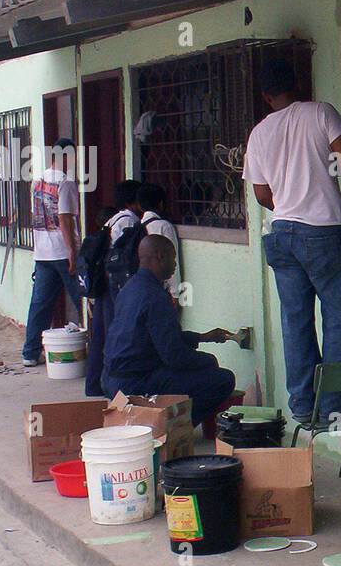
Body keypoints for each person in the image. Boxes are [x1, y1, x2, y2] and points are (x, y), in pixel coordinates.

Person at [243, 58, 341, 425]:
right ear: (297, 83)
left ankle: (302, 405)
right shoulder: (320, 112)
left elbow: (262, 194)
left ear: (266, 96)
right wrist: (316, 176)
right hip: (323, 232)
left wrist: (289, 203)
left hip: (281, 235)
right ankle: (334, 407)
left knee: (295, 321)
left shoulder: (259, 133)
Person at [101, 235, 236, 427]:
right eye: (173, 258)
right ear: (160, 257)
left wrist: (202, 338)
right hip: (135, 383)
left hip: (110, 380)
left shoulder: (131, 287)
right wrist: (207, 360)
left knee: (202, 367)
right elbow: (174, 356)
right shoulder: (155, 297)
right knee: (222, 379)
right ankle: (174, 429)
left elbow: (154, 338)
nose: (175, 265)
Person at [22, 139, 80, 367]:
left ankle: (30, 352)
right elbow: (65, 219)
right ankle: (97, 348)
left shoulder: (37, 181)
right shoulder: (65, 183)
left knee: (40, 304)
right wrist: (72, 252)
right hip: (61, 252)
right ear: (64, 156)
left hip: (42, 252)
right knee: (83, 299)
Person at [85, 181, 145, 396]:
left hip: (103, 282)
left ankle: (93, 384)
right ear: (132, 201)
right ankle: (111, 385)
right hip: (115, 284)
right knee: (115, 335)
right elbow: (126, 257)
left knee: (100, 334)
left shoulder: (112, 219)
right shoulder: (129, 221)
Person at [138, 182, 181, 301]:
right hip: (158, 288)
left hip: (139, 286)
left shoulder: (135, 227)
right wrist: (175, 293)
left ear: (139, 206)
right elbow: (172, 259)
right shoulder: (163, 226)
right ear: (161, 204)